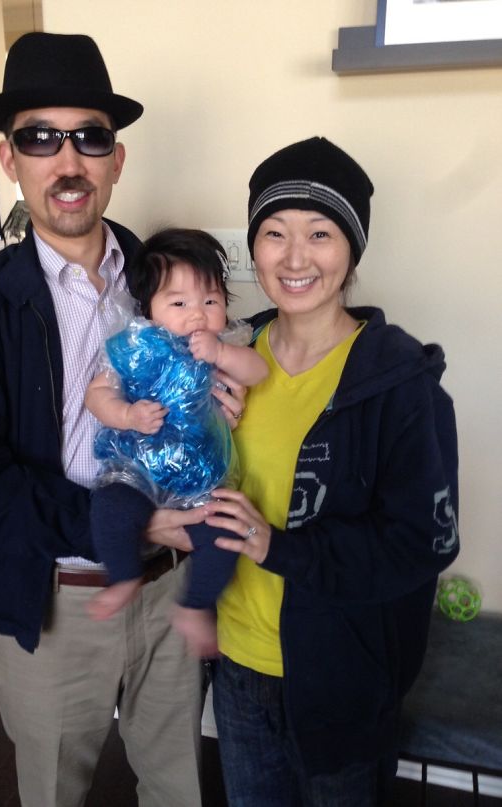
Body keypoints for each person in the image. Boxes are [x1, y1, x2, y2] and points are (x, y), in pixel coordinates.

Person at [0, 32, 244, 807]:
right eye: (39, 137)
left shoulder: (164, 277)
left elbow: (222, 366)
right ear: (8, 157)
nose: (68, 161)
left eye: (89, 137)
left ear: (115, 159)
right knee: (55, 790)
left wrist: (224, 402)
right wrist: (116, 523)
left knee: (177, 785)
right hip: (52, 598)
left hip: (171, 587)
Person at [198, 136, 460, 806]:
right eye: (274, 233)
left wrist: (277, 546)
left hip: (343, 679)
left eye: (319, 233)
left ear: (351, 251)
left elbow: (421, 543)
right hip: (237, 665)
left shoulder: (398, 382)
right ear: (253, 247)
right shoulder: (224, 360)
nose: (294, 258)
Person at [84, 228, 268, 656]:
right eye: (179, 303)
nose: (197, 315)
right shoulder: (137, 347)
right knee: (110, 506)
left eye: (210, 301)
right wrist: (128, 415)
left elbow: (258, 371)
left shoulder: (224, 345)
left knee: (225, 534)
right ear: (148, 309)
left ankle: (195, 606)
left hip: (201, 479)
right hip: (138, 470)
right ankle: (124, 575)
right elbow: (98, 394)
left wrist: (221, 354)